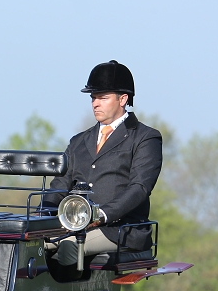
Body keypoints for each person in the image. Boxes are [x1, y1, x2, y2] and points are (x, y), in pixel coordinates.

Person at [44, 60, 162, 270]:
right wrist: (43, 213)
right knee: (31, 242)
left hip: (119, 229)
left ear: (123, 99)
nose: (95, 103)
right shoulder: (78, 141)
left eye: (102, 97)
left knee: (67, 246)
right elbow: (60, 184)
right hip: (75, 222)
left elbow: (140, 188)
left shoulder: (145, 138)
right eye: (93, 98)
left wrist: (102, 214)